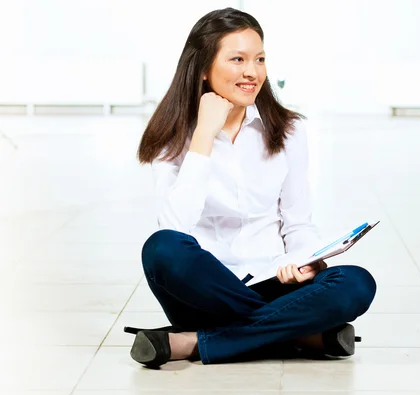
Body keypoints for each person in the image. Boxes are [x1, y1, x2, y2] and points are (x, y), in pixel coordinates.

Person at [127, 7, 377, 367]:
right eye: (238, 59)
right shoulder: (173, 137)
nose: (252, 72)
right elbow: (174, 227)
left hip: (273, 279)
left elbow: (298, 223)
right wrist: (203, 136)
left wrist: (304, 260)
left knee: (356, 283)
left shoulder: (289, 131)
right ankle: (297, 333)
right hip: (205, 290)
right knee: (161, 249)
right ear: (202, 69)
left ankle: (195, 343)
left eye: (259, 59)